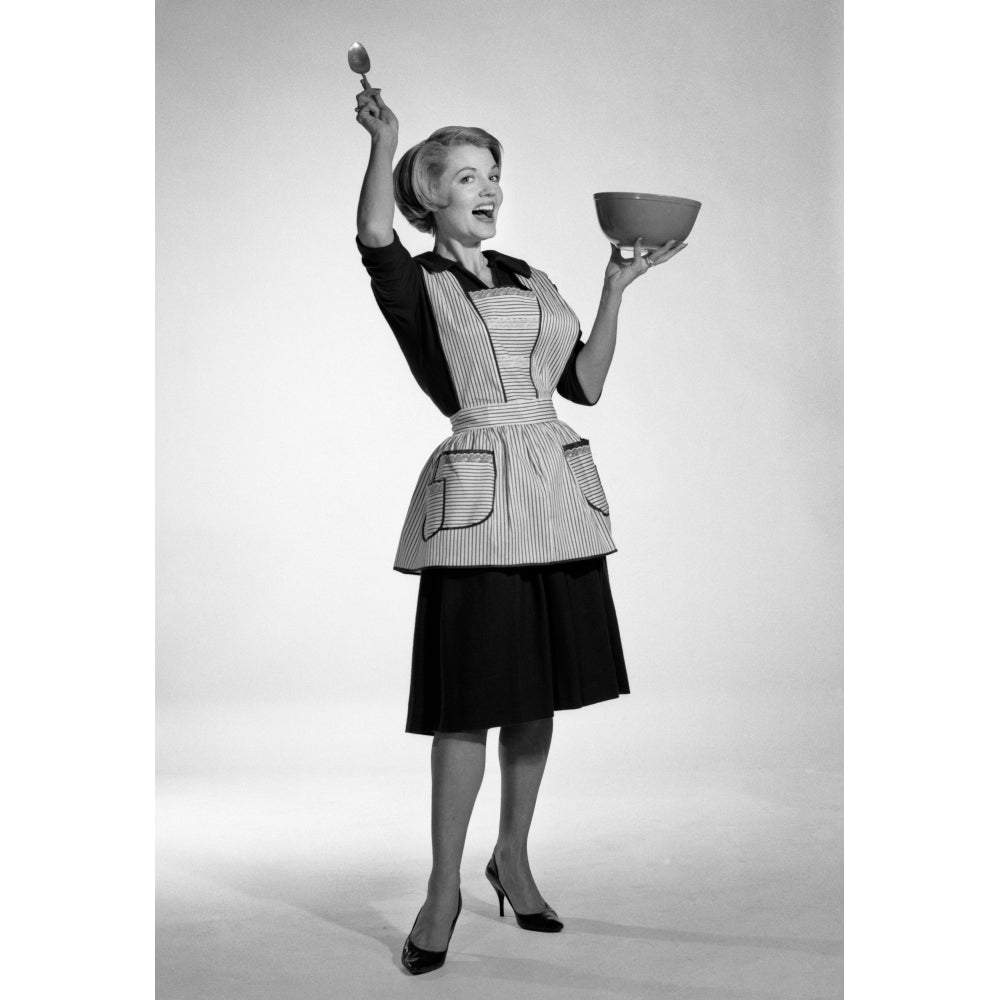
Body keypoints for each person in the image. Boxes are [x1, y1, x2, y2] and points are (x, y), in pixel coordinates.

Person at [353, 85, 686, 976]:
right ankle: (441, 887)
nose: (488, 189)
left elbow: (584, 385)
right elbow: (374, 237)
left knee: (534, 694)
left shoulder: (532, 276)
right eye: (466, 176)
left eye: (493, 174)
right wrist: (382, 142)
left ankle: (515, 857)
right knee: (468, 704)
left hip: (558, 496)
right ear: (429, 195)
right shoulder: (415, 284)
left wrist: (616, 287)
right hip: (478, 497)